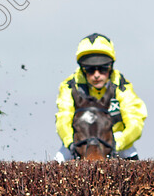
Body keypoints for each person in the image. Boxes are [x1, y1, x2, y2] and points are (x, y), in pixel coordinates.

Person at [54, 33, 148, 161]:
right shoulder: (69, 86)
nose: (97, 75)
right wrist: (70, 143)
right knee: (59, 159)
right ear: (82, 69)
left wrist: (118, 143)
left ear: (111, 67)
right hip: (81, 140)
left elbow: (135, 121)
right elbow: (63, 119)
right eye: (90, 69)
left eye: (103, 68)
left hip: (113, 139)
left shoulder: (122, 86)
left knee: (130, 153)